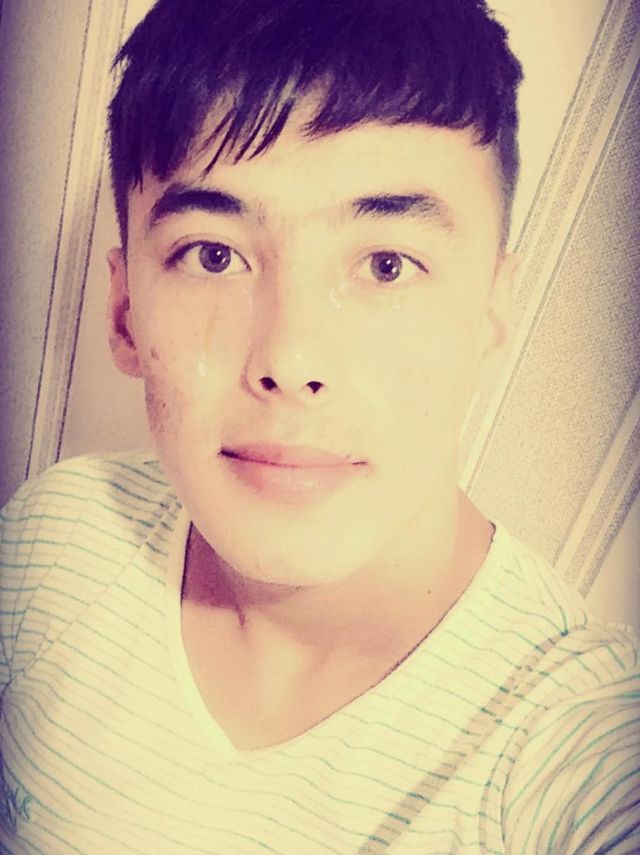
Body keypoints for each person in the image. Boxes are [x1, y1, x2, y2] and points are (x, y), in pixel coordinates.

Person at [1, 0, 638, 851]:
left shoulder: (572, 733)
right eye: (213, 254)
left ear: (491, 313)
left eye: (387, 264)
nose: (291, 356)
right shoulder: (52, 536)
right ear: (124, 312)